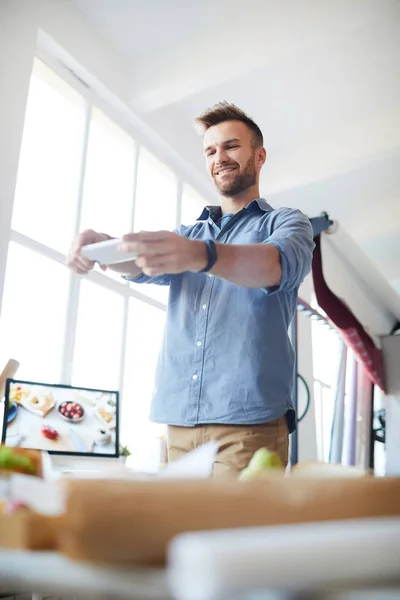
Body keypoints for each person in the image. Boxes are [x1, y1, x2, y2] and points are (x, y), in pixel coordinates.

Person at [68, 102, 315, 477]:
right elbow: (136, 262)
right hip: (179, 422)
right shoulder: (190, 234)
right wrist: (100, 244)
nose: (220, 158)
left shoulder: (286, 222)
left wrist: (201, 256)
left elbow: (273, 265)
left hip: (248, 423)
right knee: (183, 530)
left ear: (259, 155)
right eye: (211, 151)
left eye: (231, 146)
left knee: (232, 533)